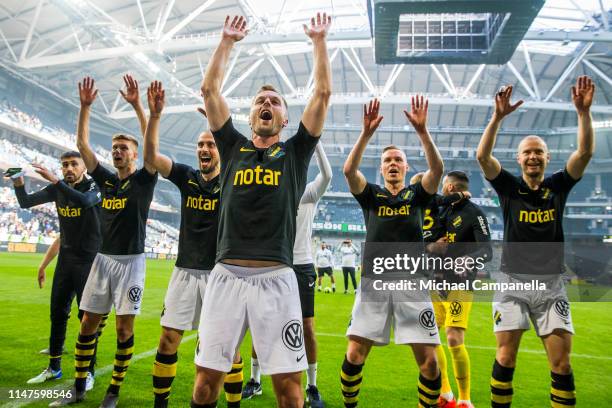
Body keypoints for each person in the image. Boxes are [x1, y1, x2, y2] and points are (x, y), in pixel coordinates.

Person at [192, 12, 331, 408]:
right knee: (204, 386)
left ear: (285, 118)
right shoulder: (232, 146)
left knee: (289, 391)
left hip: (278, 277)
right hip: (226, 277)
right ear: (251, 115)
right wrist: (226, 42)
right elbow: (209, 90)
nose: (267, 104)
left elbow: (321, 96)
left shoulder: (296, 153)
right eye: (260, 102)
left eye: (274, 102)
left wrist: (318, 41)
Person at [476, 76, 595, 408]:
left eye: (538, 153)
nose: (533, 157)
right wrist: (497, 117)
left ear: (546, 157)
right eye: (527, 152)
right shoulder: (509, 188)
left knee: (562, 365)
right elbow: (483, 158)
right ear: (518, 158)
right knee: (506, 357)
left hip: (552, 287)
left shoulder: (558, 186)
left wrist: (583, 113)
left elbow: (584, 153)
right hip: (512, 284)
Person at [51, 75, 158, 408]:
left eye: (123, 148)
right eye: (114, 148)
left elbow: (151, 145)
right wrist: (85, 108)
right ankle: (80, 385)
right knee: (87, 324)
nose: (116, 151)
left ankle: (113, 391)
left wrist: (141, 107)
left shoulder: (144, 179)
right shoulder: (107, 181)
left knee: (124, 330)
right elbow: (83, 146)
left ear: (135, 154)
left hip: (131, 263)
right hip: (103, 261)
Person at [143, 82, 243, 408]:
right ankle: (161, 404)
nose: (204, 149)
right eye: (201, 144)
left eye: (211, 144)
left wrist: (222, 128)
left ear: (220, 151)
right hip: (184, 271)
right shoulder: (186, 176)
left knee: (227, 348)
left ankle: (233, 404)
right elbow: (151, 158)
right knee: (168, 338)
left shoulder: (232, 175)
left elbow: (245, 151)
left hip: (221, 276)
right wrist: (155, 116)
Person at [341, 97, 444, 407]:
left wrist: (423, 131)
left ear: (406, 166)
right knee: (355, 354)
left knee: (430, 364)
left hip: (412, 285)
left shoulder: (416, 195)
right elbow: (349, 171)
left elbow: (437, 169)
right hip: (374, 284)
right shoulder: (371, 195)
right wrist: (366, 134)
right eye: (388, 161)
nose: (393, 164)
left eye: (398, 160)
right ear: (382, 168)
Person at [242, 143, 332, 407]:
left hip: (302, 265)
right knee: (260, 323)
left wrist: (316, 143)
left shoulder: (309, 193)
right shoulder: (274, 190)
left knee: (307, 327)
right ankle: (255, 379)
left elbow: (327, 175)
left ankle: (312, 385)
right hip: (272, 263)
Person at [10, 152, 102, 389]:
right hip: (66, 261)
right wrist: (18, 182)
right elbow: (25, 202)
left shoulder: (96, 184)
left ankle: (88, 372)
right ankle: (54, 368)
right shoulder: (58, 188)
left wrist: (55, 181)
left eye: (73, 164)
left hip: (89, 262)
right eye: (64, 165)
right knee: (57, 314)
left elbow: (84, 201)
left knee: (87, 320)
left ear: (84, 166)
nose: (68, 168)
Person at [427, 171, 492, 408]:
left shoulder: (475, 214)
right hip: (436, 283)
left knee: (453, 338)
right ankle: (446, 394)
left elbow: (487, 251)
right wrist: (431, 247)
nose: (442, 190)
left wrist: (467, 259)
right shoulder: (442, 211)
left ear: (451, 187)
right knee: (431, 336)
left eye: (444, 186)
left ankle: (465, 399)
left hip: (460, 285)